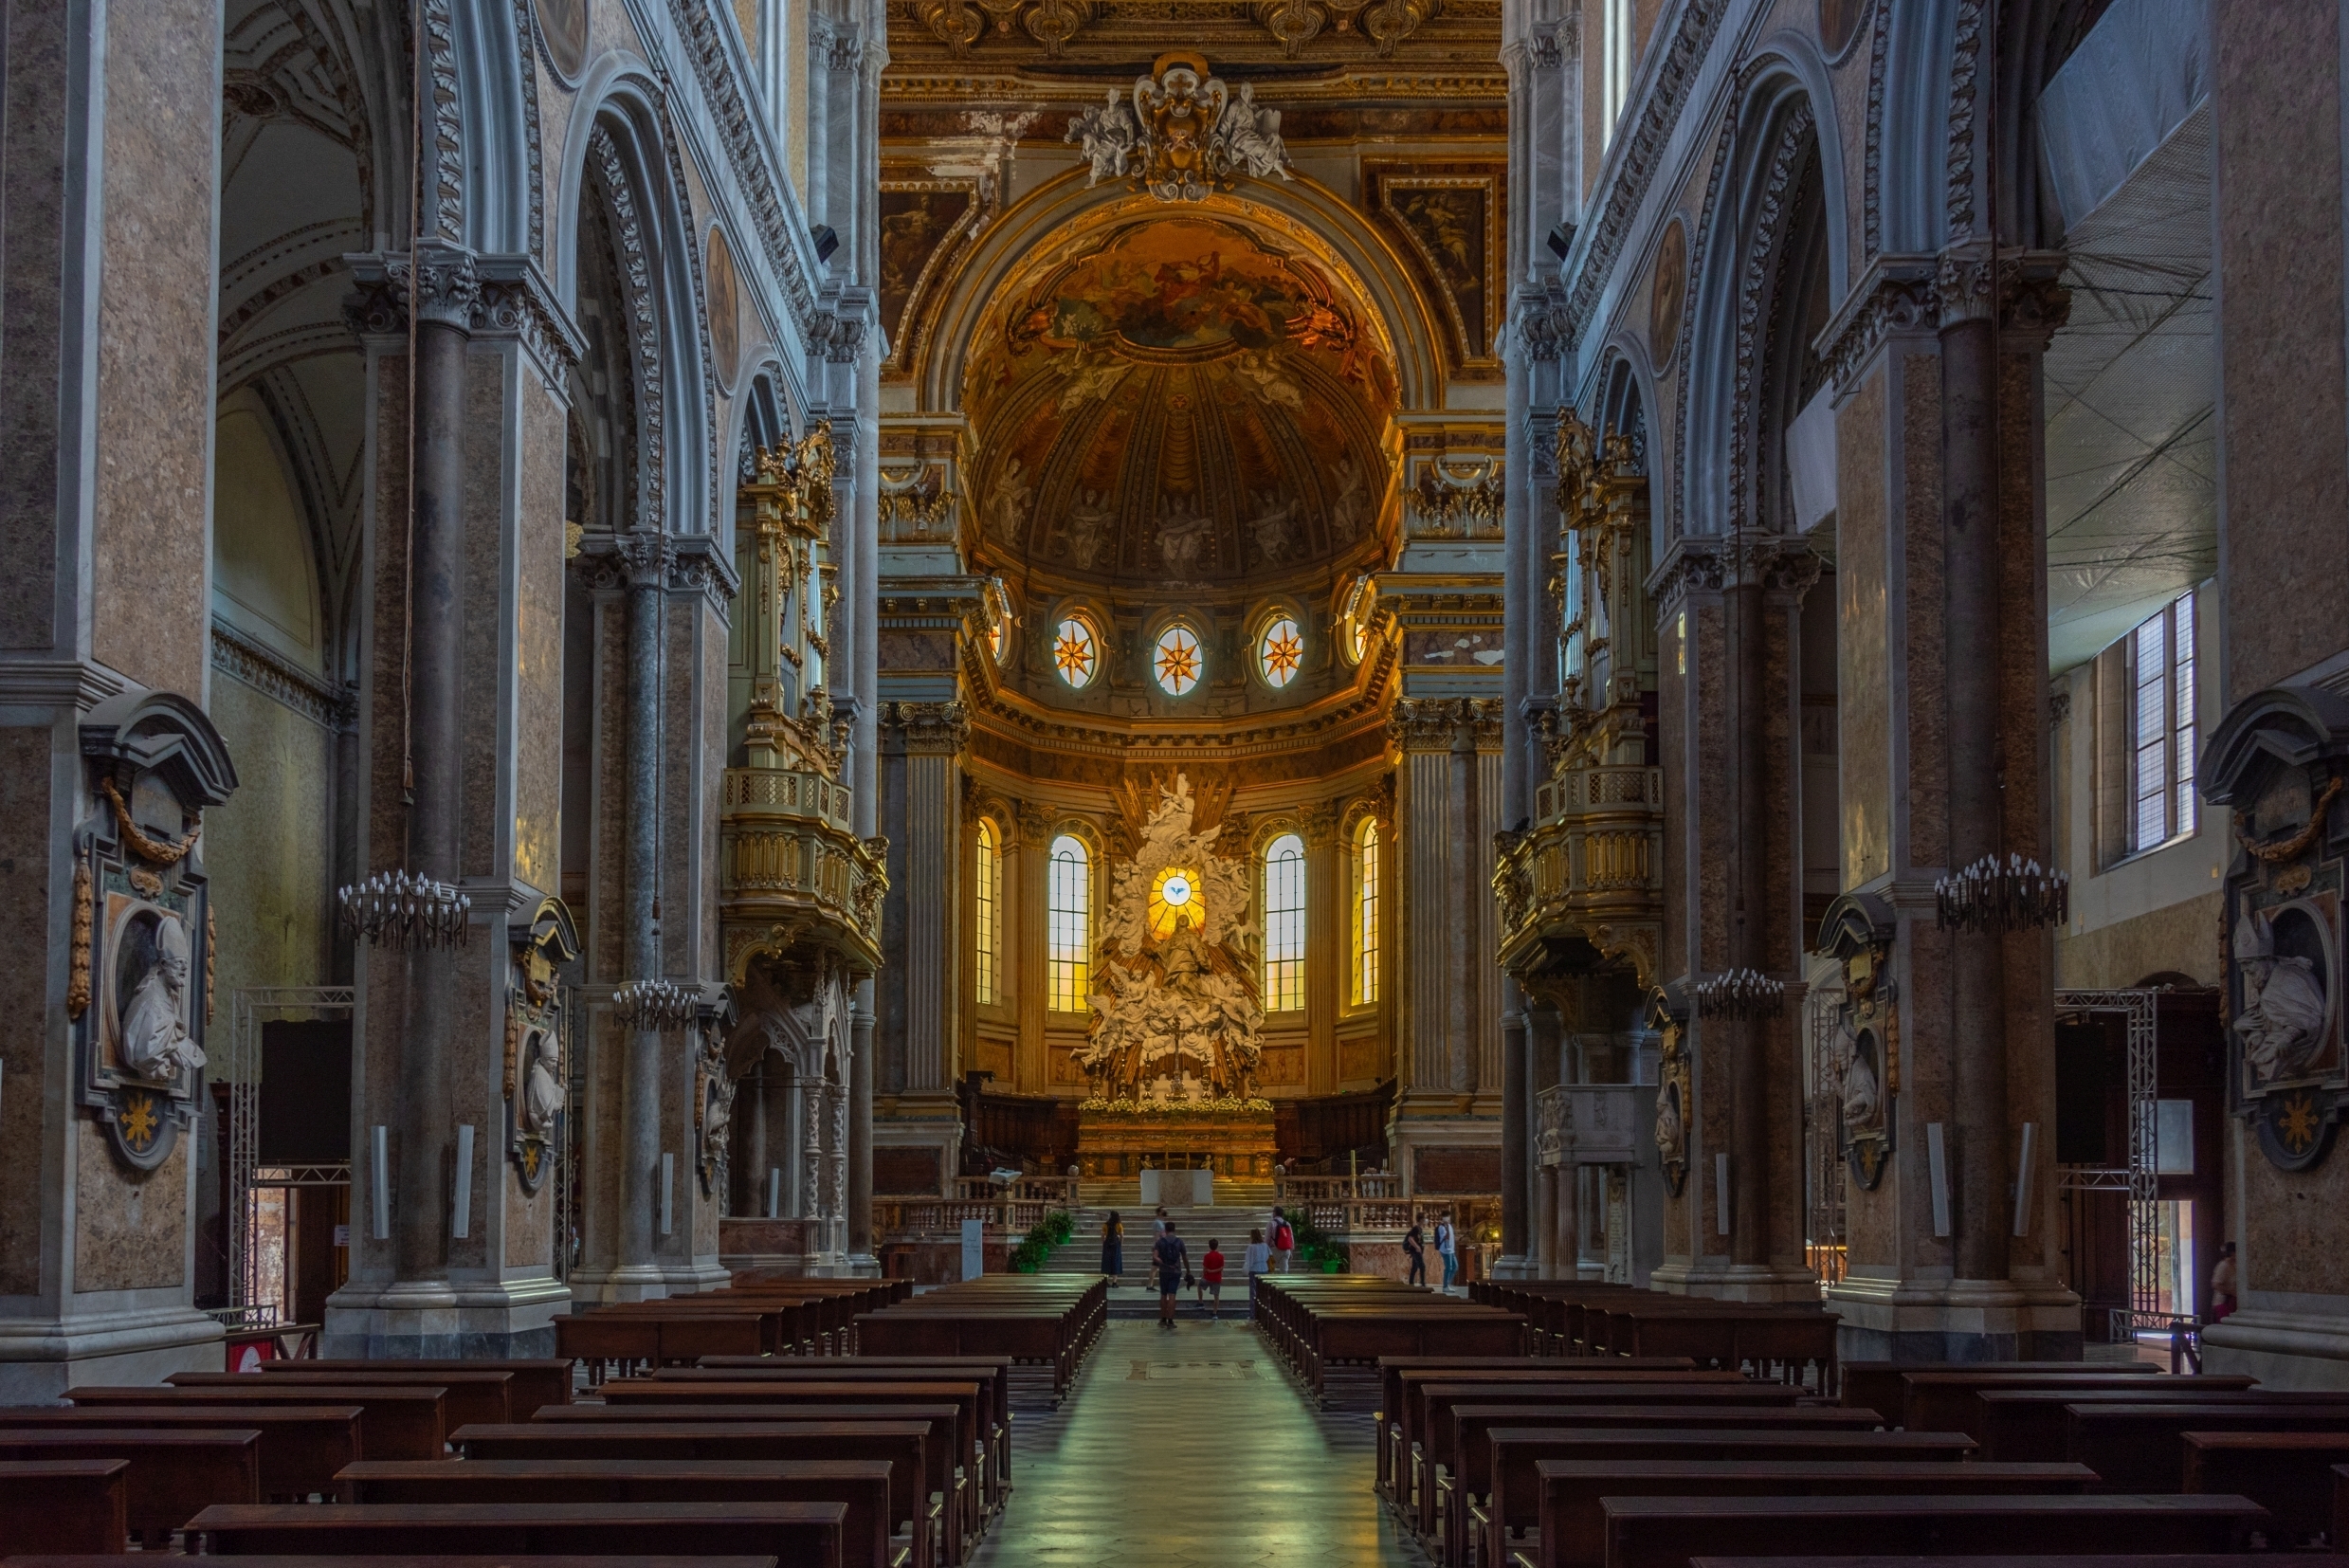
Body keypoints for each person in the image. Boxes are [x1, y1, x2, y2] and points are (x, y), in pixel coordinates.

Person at [1153, 1220, 1190, 1329]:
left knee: (1163, 1294)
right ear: (1174, 1229)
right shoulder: (1179, 1241)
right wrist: (1188, 1270)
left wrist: (1161, 1262)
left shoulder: (1160, 1241)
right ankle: (1170, 1320)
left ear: (1165, 1229)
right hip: (1176, 1271)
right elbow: (1184, 1257)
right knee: (1172, 1294)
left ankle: (1163, 1318)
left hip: (1164, 1271)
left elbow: (1155, 1256)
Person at [2210, 1242, 2238, 1322]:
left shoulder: (2234, 1266)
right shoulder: (2223, 1266)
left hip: (2232, 1303)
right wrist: (2231, 1292)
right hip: (2223, 1303)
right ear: (2233, 1253)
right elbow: (2216, 1284)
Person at [1199, 1238, 1226, 1321]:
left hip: (1208, 1277)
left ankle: (1201, 1302)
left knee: (1199, 1287)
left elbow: (1205, 1268)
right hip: (1217, 1278)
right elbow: (1221, 1267)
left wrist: (1204, 1275)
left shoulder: (1207, 1256)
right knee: (1216, 1295)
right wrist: (1214, 1271)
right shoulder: (1220, 1256)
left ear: (1209, 1246)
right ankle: (1215, 1313)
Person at [1434, 1214, 1457, 1293]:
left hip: (1451, 1250)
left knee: (1455, 1266)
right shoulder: (1442, 1227)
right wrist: (1446, 1226)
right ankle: (1445, 1286)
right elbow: (1447, 1237)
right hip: (1445, 1250)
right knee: (1448, 1268)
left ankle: (1447, 1283)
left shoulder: (1450, 1226)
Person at [1269, 1206, 1295, 1273]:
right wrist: (1291, 1250)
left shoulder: (1271, 1223)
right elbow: (1291, 1238)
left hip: (1274, 1249)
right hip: (1286, 1250)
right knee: (1284, 1271)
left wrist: (1265, 1250)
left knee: (1271, 1271)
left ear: (1275, 1213)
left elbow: (1267, 1238)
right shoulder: (1287, 1224)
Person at [1102, 1211, 1124, 1282]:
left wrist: (1103, 1243)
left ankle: (1106, 1281)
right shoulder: (1119, 1225)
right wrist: (1120, 1244)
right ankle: (1114, 1282)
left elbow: (1102, 1235)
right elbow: (1122, 1236)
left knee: (1107, 1262)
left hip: (1107, 1244)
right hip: (1116, 1244)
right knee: (1116, 1262)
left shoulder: (1105, 1225)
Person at [1403, 1222, 1428, 1287]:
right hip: (1415, 1251)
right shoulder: (1416, 1228)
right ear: (1421, 1220)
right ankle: (1422, 1283)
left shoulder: (1420, 1229)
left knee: (1414, 1267)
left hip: (1417, 1251)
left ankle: (1411, 1283)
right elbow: (1410, 1238)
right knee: (1422, 1266)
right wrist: (1417, 1247)